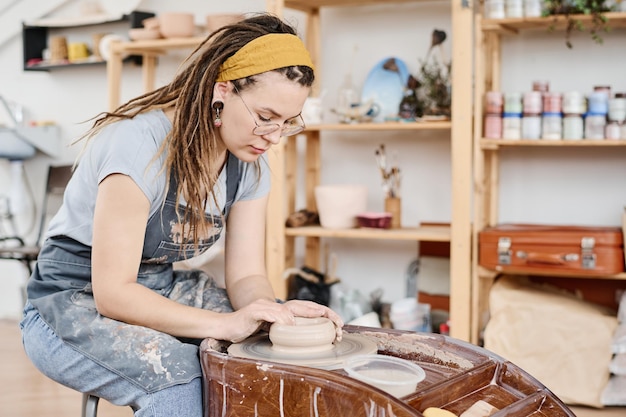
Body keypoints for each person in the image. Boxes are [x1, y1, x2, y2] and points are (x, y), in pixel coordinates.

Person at [20, 13, 343, 417]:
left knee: (266, 348)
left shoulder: (249, 165)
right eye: (265, 117)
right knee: (182, 376)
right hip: (70, 302)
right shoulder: (138, 146)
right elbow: (113, 293)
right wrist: (225, 324)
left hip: (159, 286)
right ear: (221, 91)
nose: (274, 137)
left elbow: (245, 275)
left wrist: (267, 311)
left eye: (286, 123)